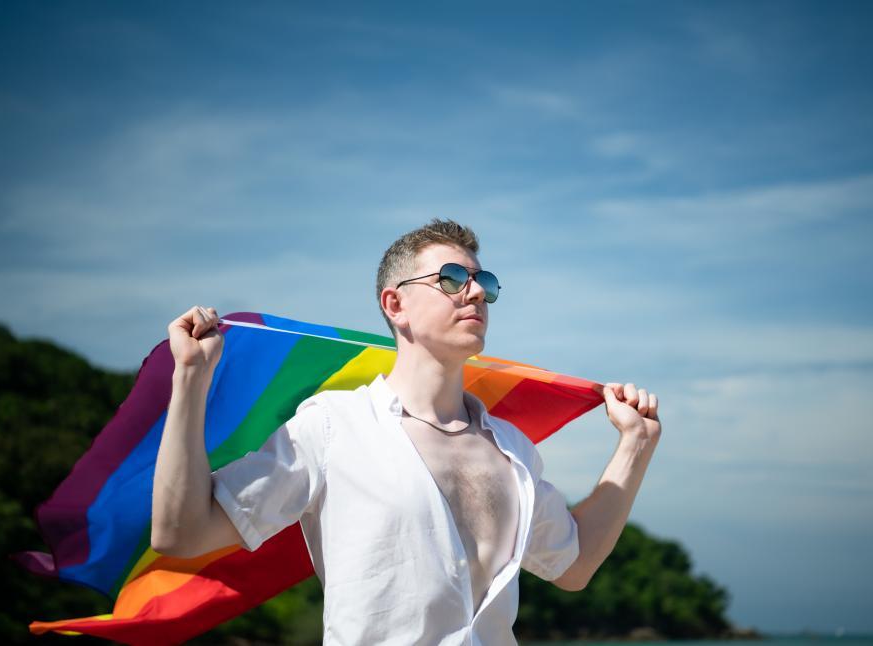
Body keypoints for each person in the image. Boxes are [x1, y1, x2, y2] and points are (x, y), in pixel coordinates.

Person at [151, 219, 661, 645]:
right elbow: (181, 533)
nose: (477, 292)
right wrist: (191, 377)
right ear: (395, 305)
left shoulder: (512, 450)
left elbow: (571, 566)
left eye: (484, 282)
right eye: (452, 278)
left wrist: (635, 446)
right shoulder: (333, 426)